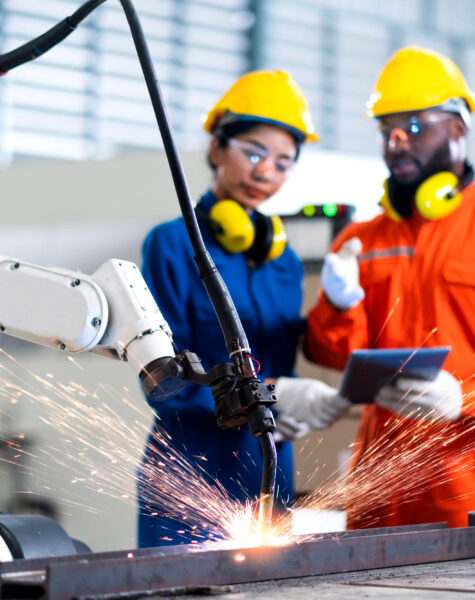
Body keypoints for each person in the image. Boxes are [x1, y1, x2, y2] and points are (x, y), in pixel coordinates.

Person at [276, 46, 475, 530]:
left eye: (412, 126)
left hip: (462, 486)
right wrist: (341, 306)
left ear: (458, 128)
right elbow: (331, 352)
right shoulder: (360, 239)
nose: (395, 144)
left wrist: (464, 400)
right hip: (377, 491)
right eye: (386, 130)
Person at [138, 70, 319, 547]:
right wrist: (266, 397)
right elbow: (163, 380)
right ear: (217, 148)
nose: (266, 172)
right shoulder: (173, 244)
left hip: (267, 472)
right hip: (189, 474)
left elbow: (283, 365)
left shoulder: (285, 263)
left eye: (284, 163)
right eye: (254, 152)